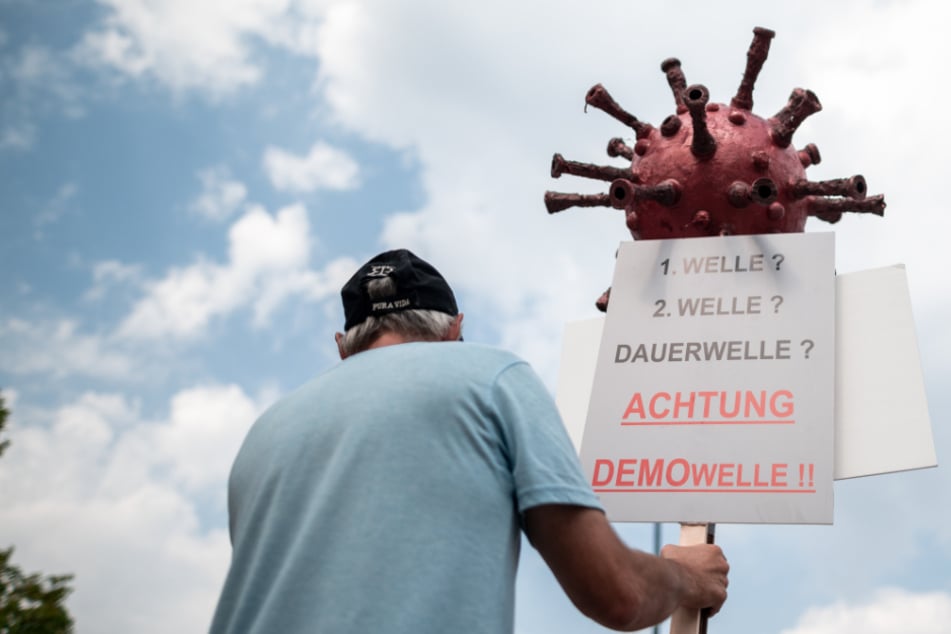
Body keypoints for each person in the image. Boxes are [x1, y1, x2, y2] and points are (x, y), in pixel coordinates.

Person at [209, 248, 728, 633]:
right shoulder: (491, 376)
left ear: (343, 347)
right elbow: (616, 594)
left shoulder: (264, 433)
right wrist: (683, 574)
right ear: (454, 331)